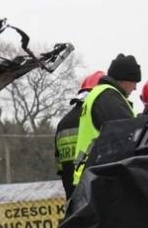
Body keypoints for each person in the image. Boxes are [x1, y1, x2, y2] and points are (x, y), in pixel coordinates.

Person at [72, 54, 142, 185]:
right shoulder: (110, 98)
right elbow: (127, 138)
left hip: (90, 175)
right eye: (134, 82)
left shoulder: (99, 94)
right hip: (98, 178)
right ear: (124, 79)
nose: (135, 87)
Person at [55, 71, 104, 199]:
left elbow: (60, 166)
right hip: (94, 194)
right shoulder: (96, 116)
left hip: (72, 197)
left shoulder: (62, 124)